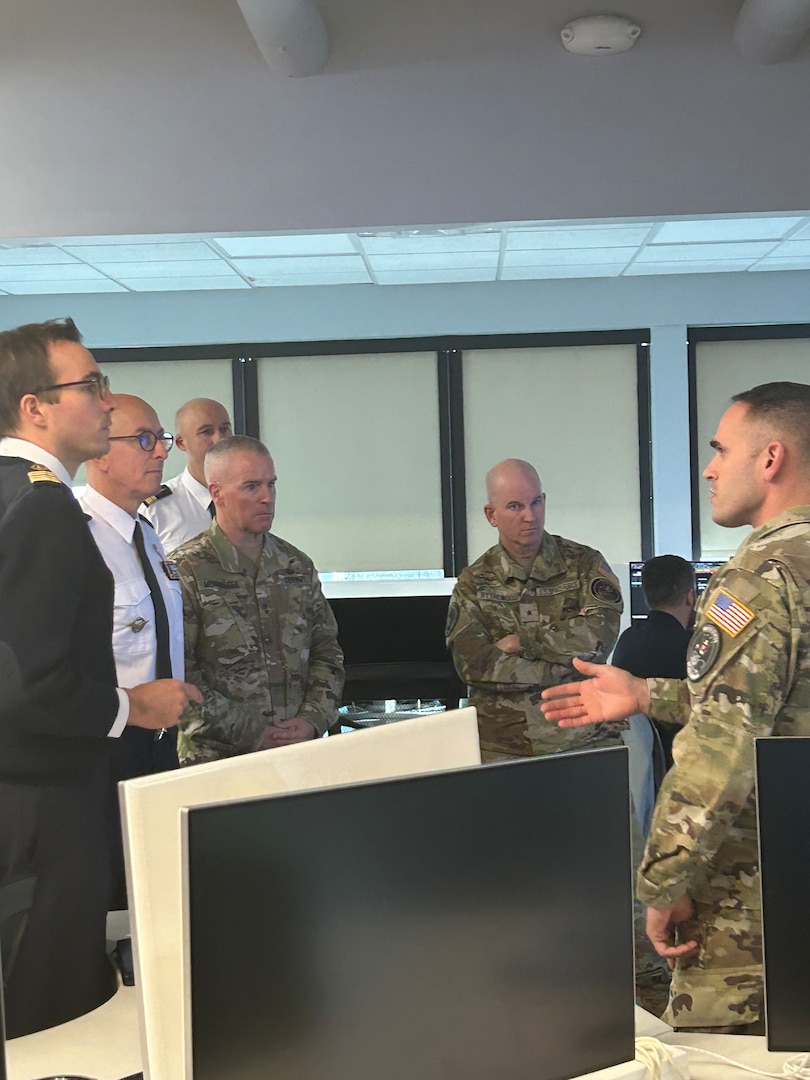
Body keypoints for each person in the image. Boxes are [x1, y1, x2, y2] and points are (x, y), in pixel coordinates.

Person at [540, 381, 810, 1034]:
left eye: (721, 450)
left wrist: (662, 884)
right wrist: (643, 693)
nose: (711, 469)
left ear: (770, 460)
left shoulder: (754, 580)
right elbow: (781, 704)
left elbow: (722, 748)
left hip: (755, 898)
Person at [0, 319, 198, 1037]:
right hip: (47, 802)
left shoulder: (17, 493)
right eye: (89, 385)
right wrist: (131, 706)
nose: (106, 402)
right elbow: (29, 684)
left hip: (32, 798)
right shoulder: (44, 506)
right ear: (36, 407)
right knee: (54, 1012)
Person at [172, 435, 344, 764]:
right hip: (217, 759)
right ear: (217, 493)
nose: (267, 497)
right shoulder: (185, 571)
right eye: (251, 487)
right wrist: (255, 733)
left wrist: (311, 720)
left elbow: (327, 654)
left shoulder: (296, 566)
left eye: (271, 485)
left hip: (296, 755)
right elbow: (180, 675)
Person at [80, 394, 185, 913]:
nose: (161, 452)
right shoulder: (76, 538)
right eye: (145, 439)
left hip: (164, 747)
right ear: (100, 451)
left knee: (164, 895)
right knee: (113, 904)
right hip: (105, 751)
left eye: (162, 439)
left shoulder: (148, 534)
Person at [445, 458, 624, 761]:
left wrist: (521, 642)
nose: (530, 516)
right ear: (492, 515)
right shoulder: (474, 582)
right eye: (515, 506)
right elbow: (473, 664)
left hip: (583, 739)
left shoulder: (584, 564)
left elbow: (598, 638)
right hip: (500, 747)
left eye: (536, 502)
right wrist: (564, 664)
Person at [614, 555, 696, 773]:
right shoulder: (694, 648)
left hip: (638, 770)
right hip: (684, 767)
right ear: (690, 597)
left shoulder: (627, 639)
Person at [141, 397, 233, 553]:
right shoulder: (157, 511)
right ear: (181, 443)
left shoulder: (245, 497)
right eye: (206, 432)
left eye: (225, 429)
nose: (219, 439)